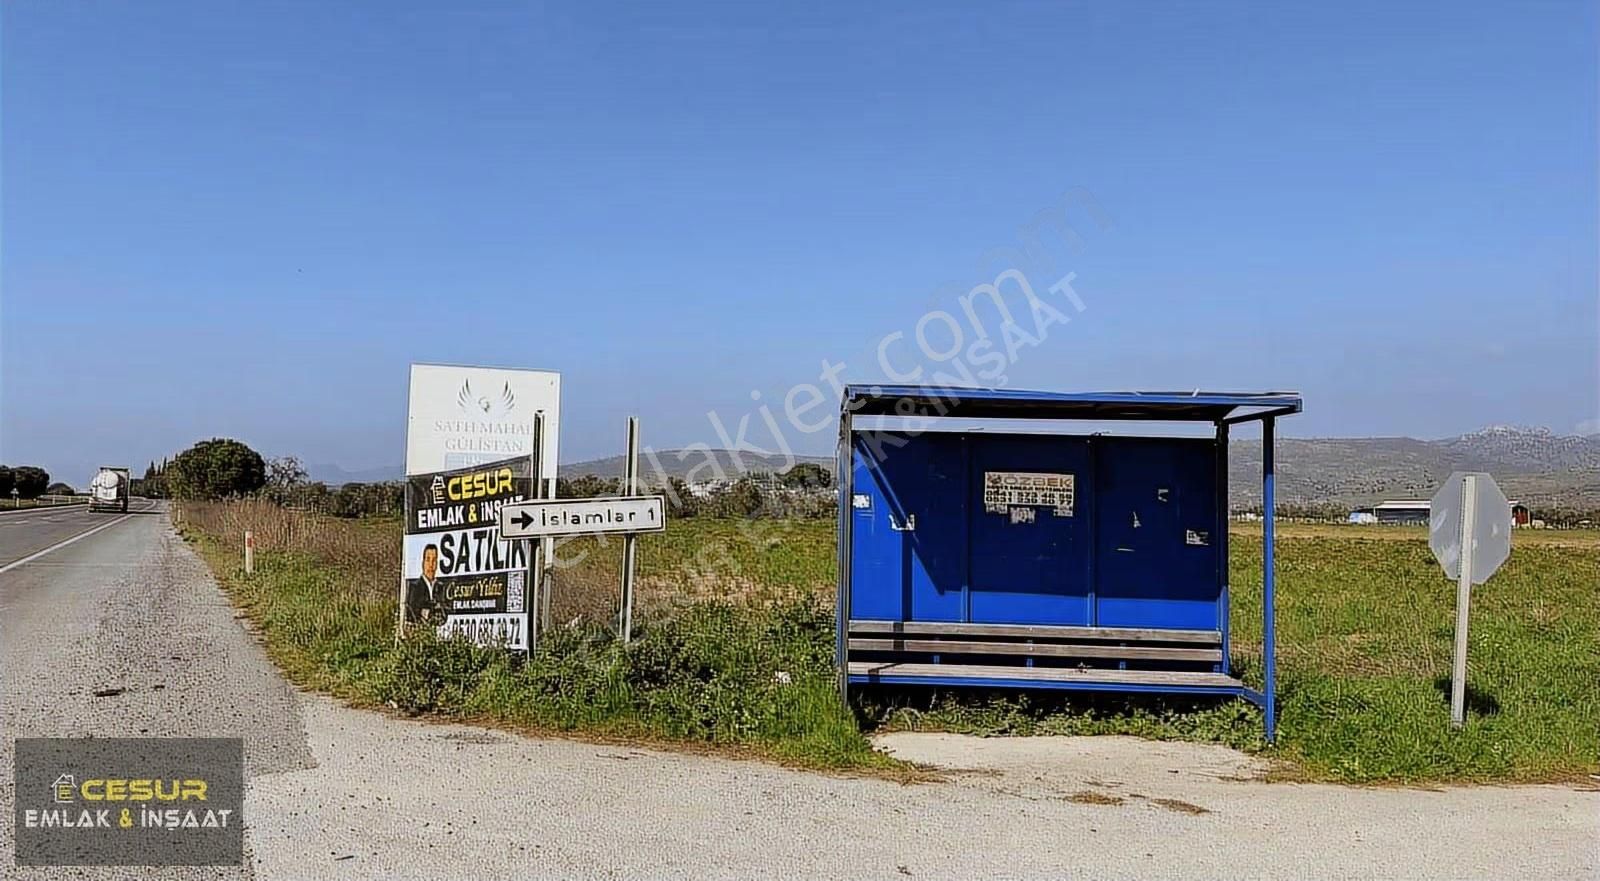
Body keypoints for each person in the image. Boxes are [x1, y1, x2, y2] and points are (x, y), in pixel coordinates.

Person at [405, 543, 443, 623]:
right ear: (423, 563)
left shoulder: (440, 587)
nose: (431, 565)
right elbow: (412, 613)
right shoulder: (415, 588)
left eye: (434, 560)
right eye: (428, 560)